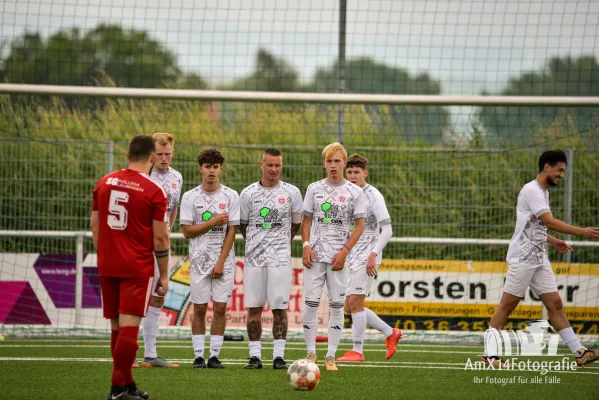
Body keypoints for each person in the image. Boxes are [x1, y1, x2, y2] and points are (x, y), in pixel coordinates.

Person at [482, 150, 599, 367]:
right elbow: (549, 220)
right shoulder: (531, 190)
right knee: (507, 305)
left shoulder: (543, 191)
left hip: (538, 257)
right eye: (560, 170)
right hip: (523, 257)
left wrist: (553, 241)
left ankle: (580, 352)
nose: (561, 175)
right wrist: (582, 231)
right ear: (547, 166)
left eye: (564, 171)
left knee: (555, 304)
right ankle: (489, 356)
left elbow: (537, 226)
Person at [91, 135, 170, 400]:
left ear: (127, 156)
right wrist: (165, 274)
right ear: (151, 158)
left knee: (117, 327)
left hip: (108, 263)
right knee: (129, 330)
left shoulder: (104, 182)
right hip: (136, 266)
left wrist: (104, 255)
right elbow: (160, 238)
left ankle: (127, 383)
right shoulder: (153, 191)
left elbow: (95, 225)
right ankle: (116, 390)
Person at [302, 142, 365, 371]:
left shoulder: (355, 192)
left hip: (340, 259)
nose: (333, 165)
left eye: (337, 161)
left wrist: (345, 251)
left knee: (337, 307)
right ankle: (310, 354)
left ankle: (330, 357)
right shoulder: (313, 189)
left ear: (344, 163)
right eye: (329, 161)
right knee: (310, 305)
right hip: (315, 256)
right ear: (324, 164)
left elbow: (360, 225)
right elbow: (306, 219)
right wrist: (306, 245)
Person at [239, 148, 303, 370]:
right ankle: (254, 356)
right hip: (254, 260)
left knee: (279, 309)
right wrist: (258, 242)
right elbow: (243, 225)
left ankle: (278, 357)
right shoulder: (247, 193)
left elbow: (296, 223)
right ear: (261, 165)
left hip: (280, 260)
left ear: (282, 166)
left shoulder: (292, 192)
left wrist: (280, 242)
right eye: (269, 165)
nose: (273, 169)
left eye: (277, 165)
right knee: (254, 308)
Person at [337, 154, 402, 363]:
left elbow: (388, 229)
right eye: (350, 172)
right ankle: (390, 332)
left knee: (355, 301)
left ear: (365, 173)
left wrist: (374, 254)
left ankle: (357, 351)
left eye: (357, 172)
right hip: (353, 255)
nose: (353, 176)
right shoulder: (346, 194)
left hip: (368, 256)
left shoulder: (373, 195)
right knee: (349, 305)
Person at [180, 148, 240, 369]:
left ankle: (214, 355)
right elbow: (187, 231)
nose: (211, 171)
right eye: (208, 167)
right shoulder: (190, 197)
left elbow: (232, 232)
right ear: (201, 169)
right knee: (199, 309)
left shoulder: (231, 196)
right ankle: (198, 356)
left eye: (215, 167)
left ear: (220, 169)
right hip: (198, 261)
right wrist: (213, 222)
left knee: (221, 308)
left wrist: (221, 262)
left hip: (223, 261)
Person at [135, 133, 183, 368]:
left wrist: (167, 231)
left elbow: (173, 207)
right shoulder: (143, 176)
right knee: (136, 296)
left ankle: (151, 354)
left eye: (168, 153)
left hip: (161, 245)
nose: (164, 158)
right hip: (141, 244)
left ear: (173, 152)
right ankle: (128, 352)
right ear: (152, 154)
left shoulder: (177, 177)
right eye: (160, 154)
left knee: (159, 294)